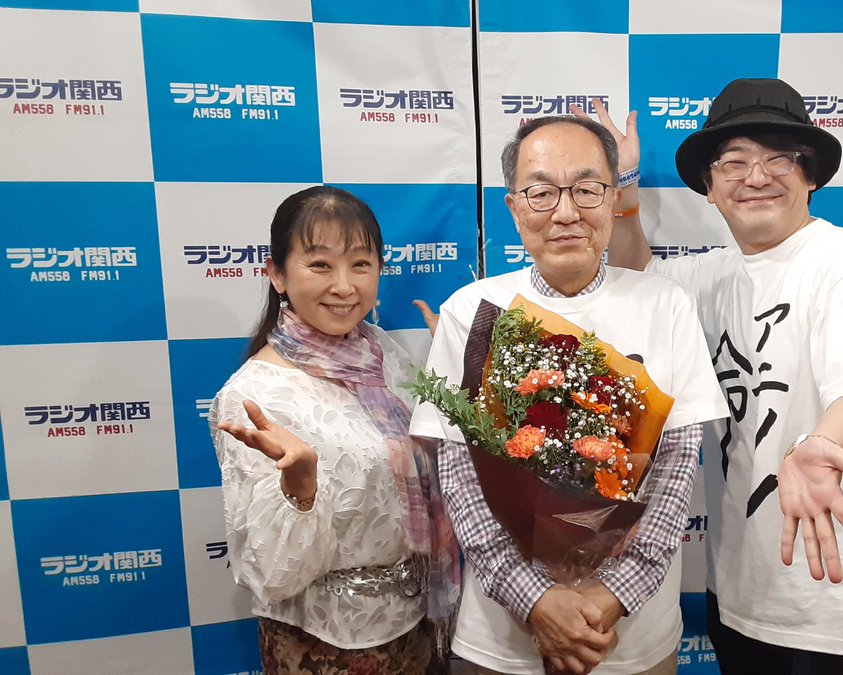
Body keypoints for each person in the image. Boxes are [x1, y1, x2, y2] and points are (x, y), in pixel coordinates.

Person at [592, 78, 843, 673]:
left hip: (834, 598)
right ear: (710, 189)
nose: (756, 176)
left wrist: (821, 446)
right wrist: (626, 185)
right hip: (740, 591)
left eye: (778, 159)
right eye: (734, 162)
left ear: (809, 175)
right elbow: (637, 281)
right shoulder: (711, 276)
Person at [408, 116, 728, 675]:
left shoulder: (665, 304)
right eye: (541, 192)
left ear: (612, 198)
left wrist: (615, 593)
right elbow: (459, 477)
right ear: (514, 208)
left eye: (586, 189)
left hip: (632, 635)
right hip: (504, 640)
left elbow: (678, 468)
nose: (565, 212)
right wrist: (534, 599)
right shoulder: (474, 310)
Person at [209, 186, 460, 675]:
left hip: (418, 623)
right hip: (326, 643)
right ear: (277, 274)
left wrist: (462, 375)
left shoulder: (383, 353)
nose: (344, 286)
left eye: (360, 264)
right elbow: (273, 576)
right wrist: (300, 489)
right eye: (320, 265)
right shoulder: (253, 396)